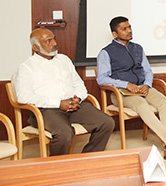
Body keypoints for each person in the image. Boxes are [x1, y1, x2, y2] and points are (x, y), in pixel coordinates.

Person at [97, 16, 166, 160]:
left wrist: (147, 84)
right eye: (124, 29)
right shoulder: (106, 52)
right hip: (121, 93)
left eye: (129, 27)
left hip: (142, 88)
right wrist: (126, 84)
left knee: (164, 101)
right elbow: (101, 79)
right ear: (115, 34)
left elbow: (147, 71)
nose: (129, 31)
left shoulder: (137, 48)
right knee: (141, 104)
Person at [14, 28, 115, 156]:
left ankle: (88, 158)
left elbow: (78, 83)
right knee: (64, 133)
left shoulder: (64, 59)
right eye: (48, 41)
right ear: (36, 47)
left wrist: (78, 98)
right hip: (46, 110)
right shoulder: (27, 67)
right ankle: (58, 166)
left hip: (74, 105)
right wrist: (58, 103)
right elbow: (23, 97)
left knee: (106, 122)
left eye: (54, 39)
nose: (54, 43)